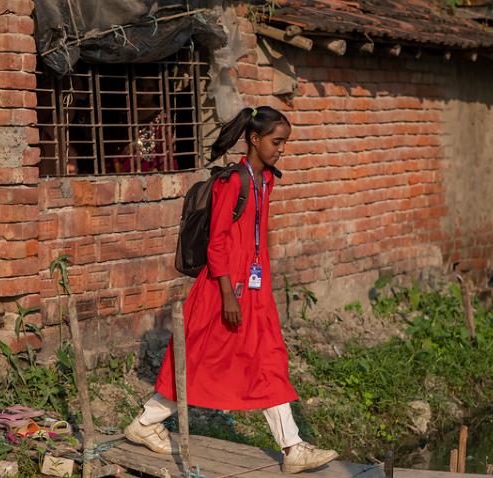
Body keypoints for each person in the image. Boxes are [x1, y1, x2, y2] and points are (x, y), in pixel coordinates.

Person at [123, 106, 339, 473]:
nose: (281, 150)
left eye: (284, 143)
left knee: (268, 359)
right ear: (254, 139)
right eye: (276, 142)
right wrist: (228, 296)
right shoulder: (233, 182)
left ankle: (293, 446)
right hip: (224, 290)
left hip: (253, 291)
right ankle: (145, 423)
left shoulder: (266, 180)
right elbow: (218, 243)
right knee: (197, 361)